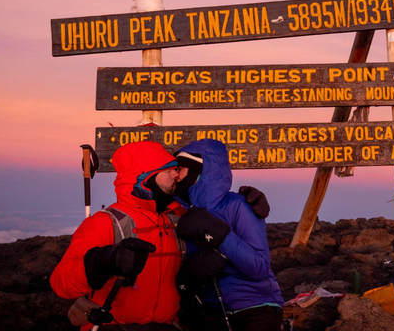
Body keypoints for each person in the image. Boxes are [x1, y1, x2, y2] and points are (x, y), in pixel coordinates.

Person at [50, 140, 271, 331]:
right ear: (145, 178)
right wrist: (102, 261)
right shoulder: (107, 222)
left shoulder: (178, 218)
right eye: (169, 170)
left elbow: (214, 210)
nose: (177, 174)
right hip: (114, 325)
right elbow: (61, 283)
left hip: (168, 325)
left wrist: (249, 203)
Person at [173, 139, 283, 331]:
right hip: (211, 310)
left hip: (255, 307)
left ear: (200, 170)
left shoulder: (237, 205)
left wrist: (220, 236)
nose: (176, 175)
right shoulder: (182, 214)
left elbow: (260, 267)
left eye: (181, 169)